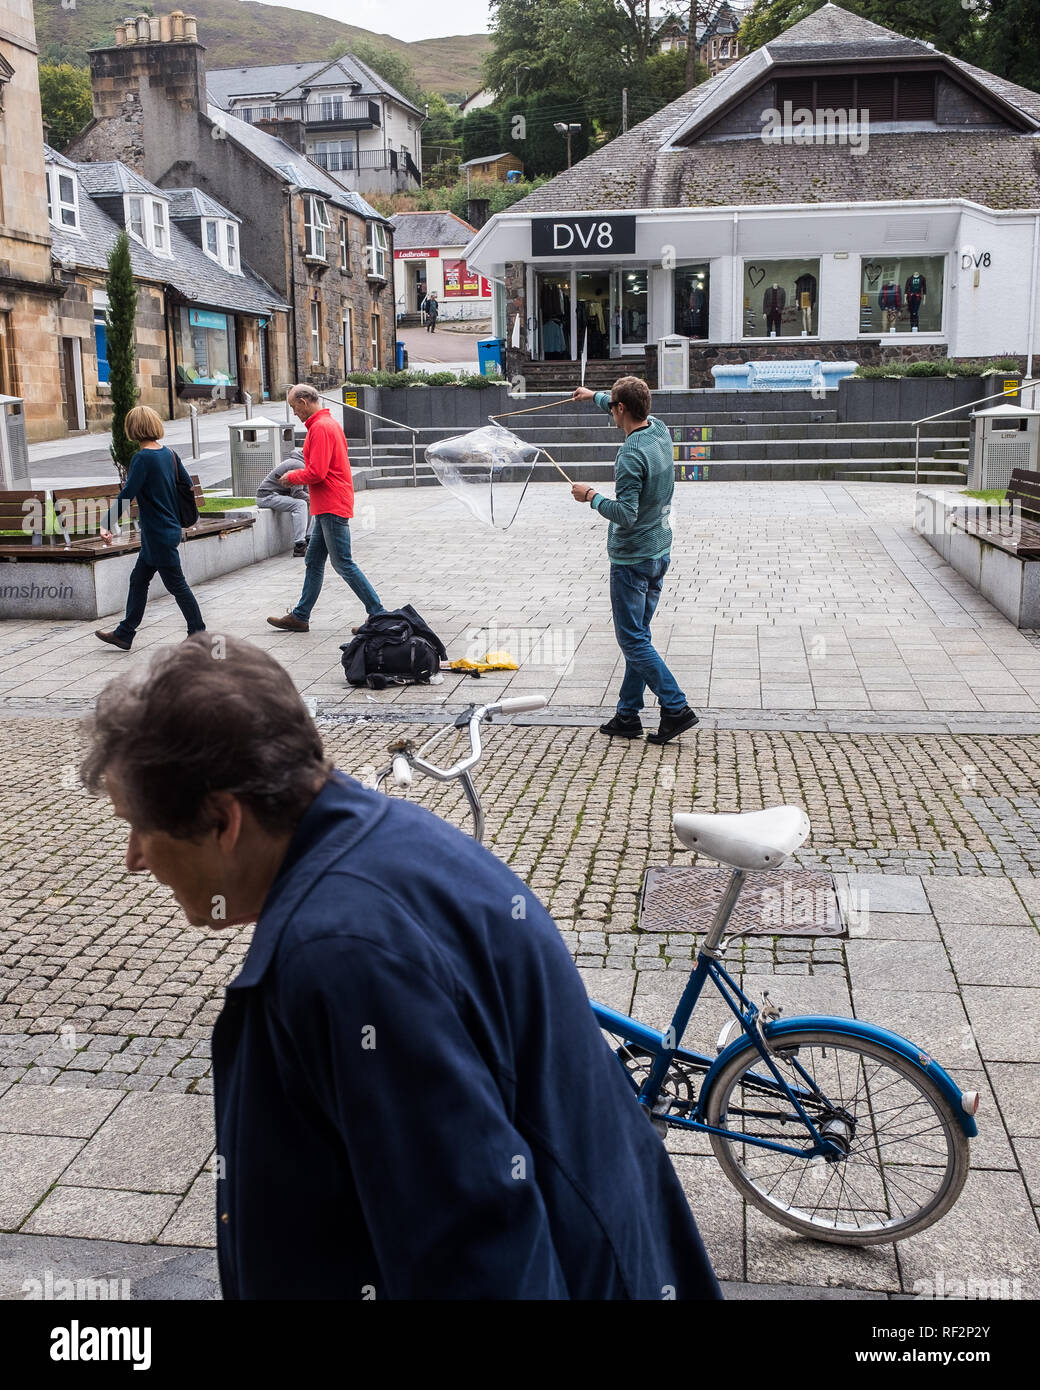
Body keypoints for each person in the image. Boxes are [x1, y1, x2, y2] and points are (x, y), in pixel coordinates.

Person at [79, 635, 722, 1301]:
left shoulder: (344, 958)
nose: (134, 859)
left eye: (139, 826)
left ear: (223, 820)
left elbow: (479, 1260)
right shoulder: (393, 844)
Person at [571, 377, 698, 745]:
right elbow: (623, 402)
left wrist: (591, 496)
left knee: (632, 640)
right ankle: (628, 715)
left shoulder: (629, 455)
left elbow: (625, 514)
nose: (610, 410)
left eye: (612, 405)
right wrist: (591, 395)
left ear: (621, 409)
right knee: (638, 638)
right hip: (659, 551)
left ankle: (675, 706)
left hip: (632, 559)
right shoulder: (659, 429)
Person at [267, 385, 384, 633]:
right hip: (327, 505)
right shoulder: (327, 424)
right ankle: (300, 616)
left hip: (331, 504)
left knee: (343, 563)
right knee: (314, 560)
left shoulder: (320, 428)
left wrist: (292, 476)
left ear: (304, 401)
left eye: (293, 407)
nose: (294, 413)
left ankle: (379, 614)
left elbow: (317, 472)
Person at [94, 405, 205, 651]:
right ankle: (124, 633)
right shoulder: (170, 454)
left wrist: (106, 524)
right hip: (167, 530)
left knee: (177, 585)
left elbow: (127, 494)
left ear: (133, 429)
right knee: (139, 579)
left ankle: (198, 633)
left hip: (157, 534)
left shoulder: (142, 458)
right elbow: (186, 485)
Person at [255, 448, 312, 558]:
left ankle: (309, 538)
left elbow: (305, 492)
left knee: (311, 502)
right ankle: (300, 545)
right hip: (266, 496)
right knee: (301, 504)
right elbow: (297, 493)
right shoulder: (298, 465)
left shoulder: (302, 464)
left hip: (277, 496)